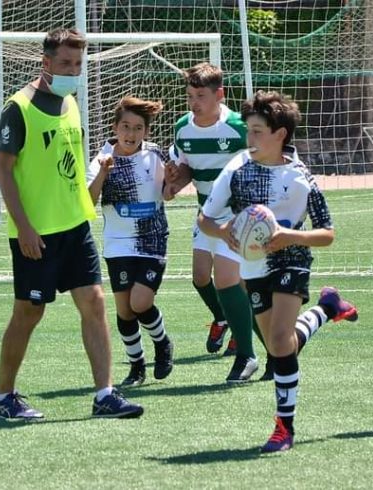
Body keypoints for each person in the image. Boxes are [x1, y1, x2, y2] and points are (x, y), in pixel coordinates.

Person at [0, 27, 142, 420]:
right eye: (66, 63)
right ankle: (3, 398)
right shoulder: (18, 108)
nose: (74, 70)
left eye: (78, 62)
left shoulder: (71, 102)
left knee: (94, 302)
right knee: (29, 313)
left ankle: (105, 394)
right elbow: (3, 171)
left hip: (75, 227)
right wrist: (22, 227)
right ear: (46, 63)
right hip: (36, 234)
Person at [199, 91, 359, 453]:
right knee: (278, 345)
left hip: (293, 259)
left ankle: (284, 428)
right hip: (252, 266)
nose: (250, 139)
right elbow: (205, 219)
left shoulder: (301, 176)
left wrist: (291, 237)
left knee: (281, 338)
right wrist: (224, 231)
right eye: (248, 131)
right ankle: (327, 308)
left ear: (280, 135)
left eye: (257, 131)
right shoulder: (237, 168)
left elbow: (327, 233)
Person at [165, 62, 263, 383]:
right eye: (190, 95)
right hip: (206, 214)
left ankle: (246, 354)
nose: (194, 102)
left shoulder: (237, 126)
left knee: (228, 281)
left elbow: (260, 163)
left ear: (219, 94)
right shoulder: (183, 128)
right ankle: (229, 322)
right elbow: (186, 168)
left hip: (237, 215)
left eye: (201, 96)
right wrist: (173, 184)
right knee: (199, 276)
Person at [86, 96, 174, 388]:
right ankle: (136, 365)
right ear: (115, 127)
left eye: (138, 128)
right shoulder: (101, 158)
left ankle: (162, 343)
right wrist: (103, 173)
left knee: (140, 302)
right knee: (125, 310)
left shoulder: (156, 155)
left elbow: (168, 191)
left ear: (146, 132)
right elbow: (88, 201)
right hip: (118, 242)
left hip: (152, 238)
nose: (131, 134)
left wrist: (172, 184)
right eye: (125, 126)